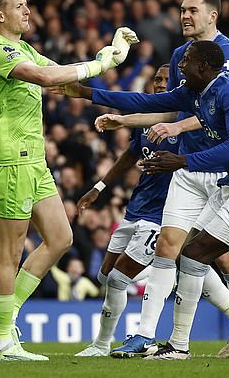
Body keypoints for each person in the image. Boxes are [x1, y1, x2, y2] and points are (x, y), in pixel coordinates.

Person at [57, 40, 229, 359]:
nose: (180, 66)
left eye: (187, 62)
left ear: (204, 67)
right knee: (189, 255)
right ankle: (200, 338)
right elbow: (143, 101)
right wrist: (86, 93)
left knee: (200, 254)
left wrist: (182, 161)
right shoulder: (194, 94)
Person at [0, 0, 138, 361]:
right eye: (19, 6)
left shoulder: (25, 48)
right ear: (0, 15)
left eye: (27, 5)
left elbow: (63, 80)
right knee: (10, 252)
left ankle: (6, 314)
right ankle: (2, 342)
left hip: (33, 161)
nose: (27, 11)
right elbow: (49, 79)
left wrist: (109, 67)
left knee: (61, 237)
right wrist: (103, 63)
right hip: (9, 162)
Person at [94, 0, 229, 358]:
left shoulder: (228, 56)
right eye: (182, 10)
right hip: (185, 169)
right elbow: (171, 108)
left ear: (213, 15)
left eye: (193, 10)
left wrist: (178, 129)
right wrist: (126, 120)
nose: (185, 16)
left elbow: (223, 112)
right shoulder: (182, 55)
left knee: (224, 257)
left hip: (218, 168)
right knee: (171, 248)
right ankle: (146, 335)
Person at [75, 65, 179, 357]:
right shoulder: (146, 122)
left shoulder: (185, 121)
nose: (159, 84)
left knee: (120, 279)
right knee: (105, 278)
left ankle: (108, 343)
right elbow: (130, 156)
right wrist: (99, 187)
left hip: (162, 215)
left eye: (165, 80)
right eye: (156, 79)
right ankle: (105, 342)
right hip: (136, 209)